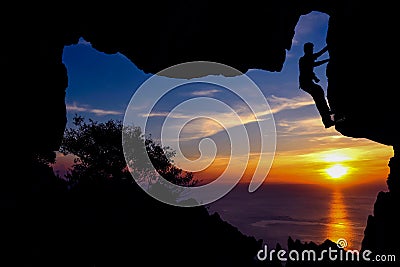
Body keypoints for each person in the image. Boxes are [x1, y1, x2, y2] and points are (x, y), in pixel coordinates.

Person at [298, 42, 334, 128]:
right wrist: (329, 47)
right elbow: (312, 64)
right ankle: (326, 118)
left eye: (312, 49)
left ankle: (327, 115)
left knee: (319, 94)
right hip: (305, 84)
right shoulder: (304, 59)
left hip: (307, 83)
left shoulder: (307, 58)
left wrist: (314, 78)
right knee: (318, 95)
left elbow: (311, 66)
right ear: (307, 50)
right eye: (311, 49)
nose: (312, 51)